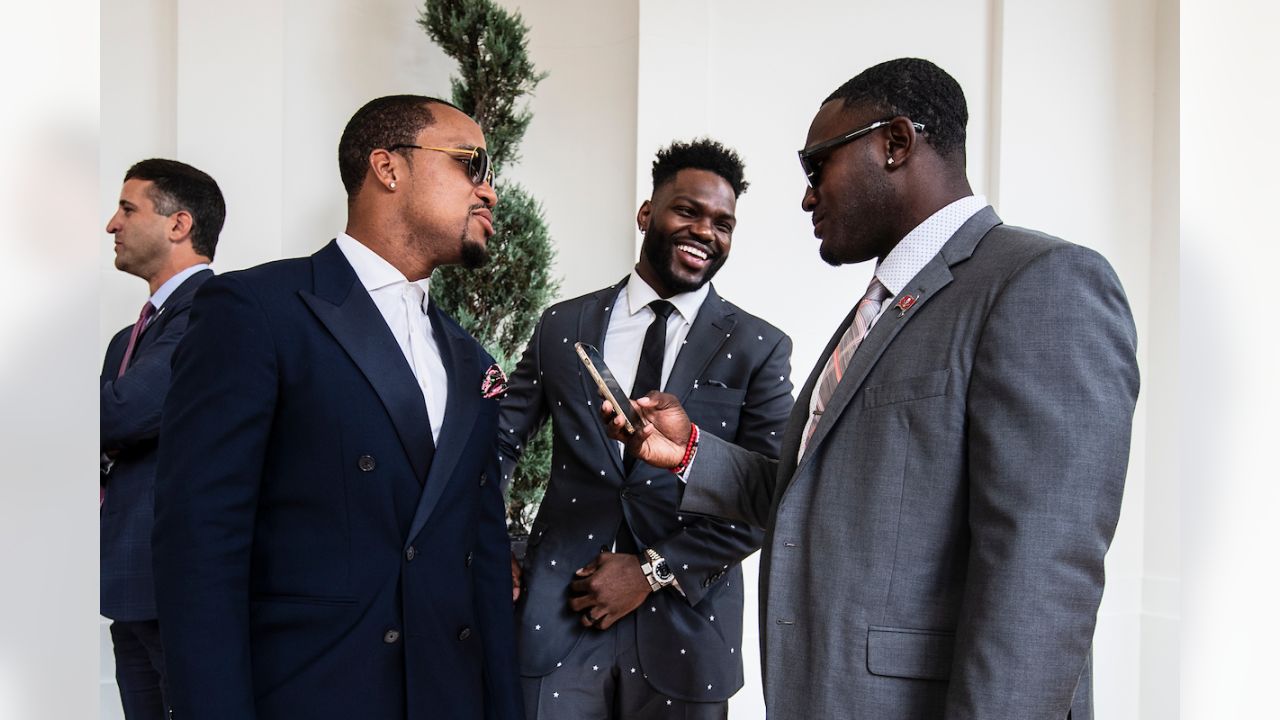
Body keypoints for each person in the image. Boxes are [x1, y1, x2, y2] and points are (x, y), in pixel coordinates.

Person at [607, 58, 1140, 719]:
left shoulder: (1043, 282)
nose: (807, 197)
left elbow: (1042, 575)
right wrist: (691, 451)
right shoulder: (886, 305)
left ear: (895, 143)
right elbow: (823, 497)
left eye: (815, 168)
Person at [152, 95, 522, 720]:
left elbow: (482, 557)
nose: (488, 191)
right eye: (471, 164)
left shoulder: (472, 360)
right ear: (388, 166)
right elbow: (199, 546)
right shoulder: (256, 310)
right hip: (313, 693)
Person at [499, 139, 793, 719]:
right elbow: (497, 441)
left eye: (723, 223)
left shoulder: (759, 347)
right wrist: (494, 544)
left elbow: (771, 493)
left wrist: (653, 571)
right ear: (647, 214)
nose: (705, 231)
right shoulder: (563, 323)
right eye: (688, 211)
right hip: (557, 617)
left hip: (687, 627)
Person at [101, 158, 224, 720]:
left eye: (128, 209)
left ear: (179, 225)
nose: (112, 224)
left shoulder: (212, 312)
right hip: (129, 581)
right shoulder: (129, 337)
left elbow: (119, 415)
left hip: (176, 584)